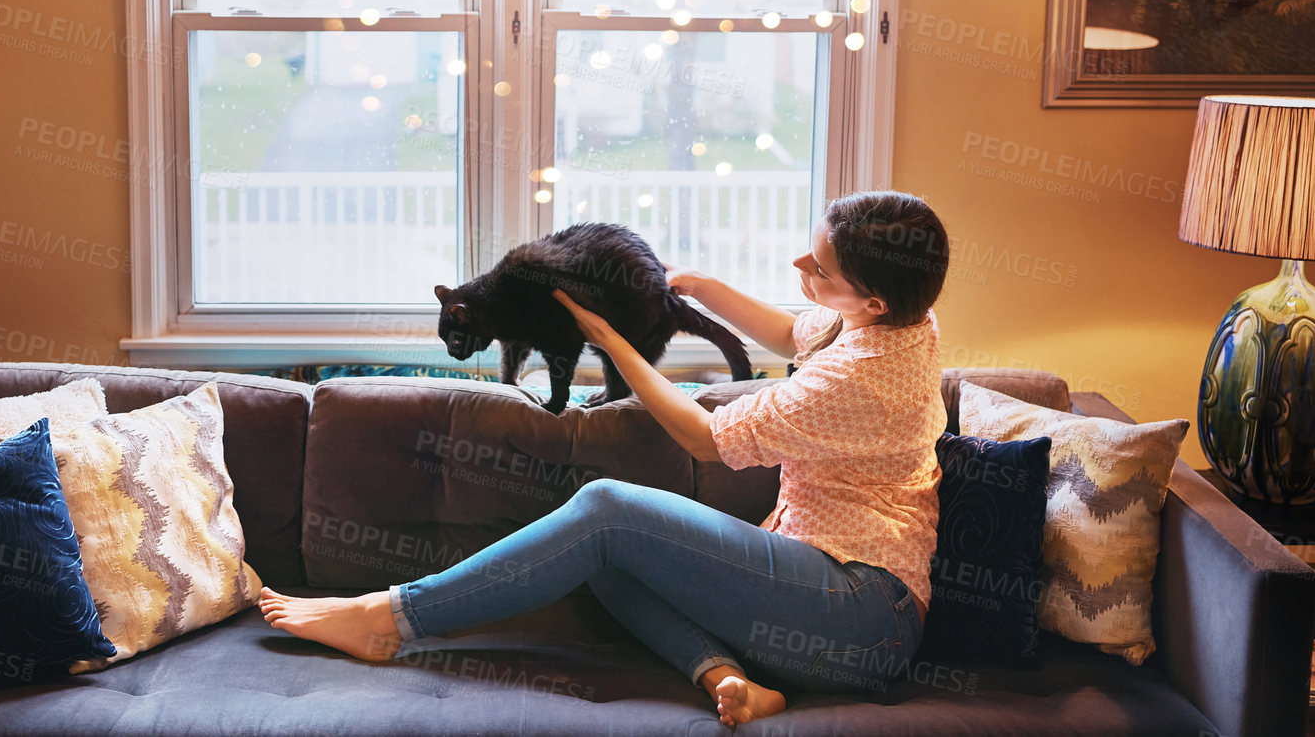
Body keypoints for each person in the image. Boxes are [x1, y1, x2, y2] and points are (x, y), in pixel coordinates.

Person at [260, 190, 950, 729]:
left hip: (858, 616)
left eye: (817, 267)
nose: (799, 267)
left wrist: (611, 341)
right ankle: (727, 679)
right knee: (606, 559)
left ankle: (387, 619)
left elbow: (704, 439)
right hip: (830, 601)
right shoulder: (901, 323)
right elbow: (791, 330)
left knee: (607, 509)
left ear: (872, 298)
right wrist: (695, 282)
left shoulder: (856, 381)